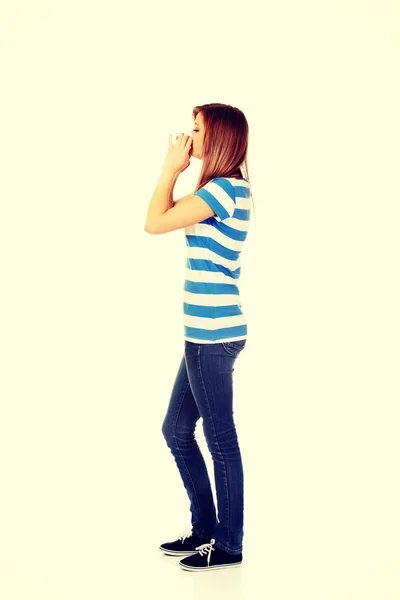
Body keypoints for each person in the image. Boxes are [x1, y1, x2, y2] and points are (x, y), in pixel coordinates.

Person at [144, 103, 255, 571]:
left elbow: (155, 221)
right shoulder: (218, 190)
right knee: (175, 429)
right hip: (203, 333)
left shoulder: (224, 190)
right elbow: (169, 217)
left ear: (221, 139)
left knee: (221, 439)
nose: (188, 137)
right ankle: (206, 531)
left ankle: (228, 545)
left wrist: (168, 169)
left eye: (196, 130)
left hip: (214, 335)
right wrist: (180, 171)